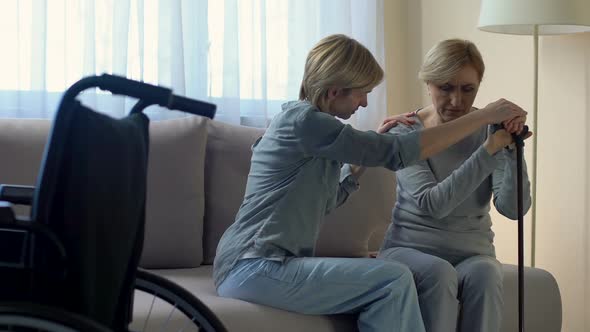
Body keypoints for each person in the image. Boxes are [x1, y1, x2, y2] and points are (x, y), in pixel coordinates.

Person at [213, 34, 526, 332]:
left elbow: (327, 200)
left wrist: (363, 158)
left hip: (266, 265)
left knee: (392, 284)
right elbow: (397, 153)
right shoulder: (305, 123)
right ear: (336, 90)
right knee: (393, 280)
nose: (364, 103)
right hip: (253, 265)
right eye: (362, 92)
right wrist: (484, 116)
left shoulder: (315, 130)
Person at [378, 38, 532, 332]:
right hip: (409, 248)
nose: (456, 101)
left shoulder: (491, 130)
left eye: (467, 89)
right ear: (428, 83)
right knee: (438, 272)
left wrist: (511, 149)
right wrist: (487, 151)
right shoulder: (405, 131)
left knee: (486, 273)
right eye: (445, 88)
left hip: (473, 253)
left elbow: (513, 209)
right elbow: (433, 205)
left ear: (479, 86)